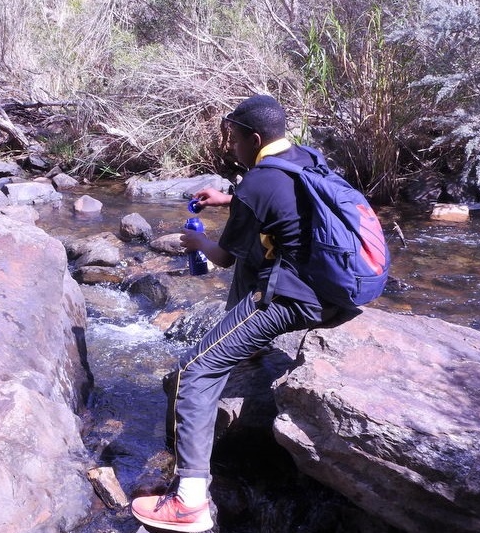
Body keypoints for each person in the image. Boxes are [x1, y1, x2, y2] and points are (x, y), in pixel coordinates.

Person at [130, 94, 339, 532]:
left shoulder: (260, 181)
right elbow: (279, 205)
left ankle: (189, 502)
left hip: (298, 296)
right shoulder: (302, 157)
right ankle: (246, 346)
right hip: (336, 285)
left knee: (196, 369)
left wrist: (197, 243)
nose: (232, 148)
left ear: (255, 138)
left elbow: (222, 258)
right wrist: (228, 199)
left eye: (235, 140)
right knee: (253, 256)